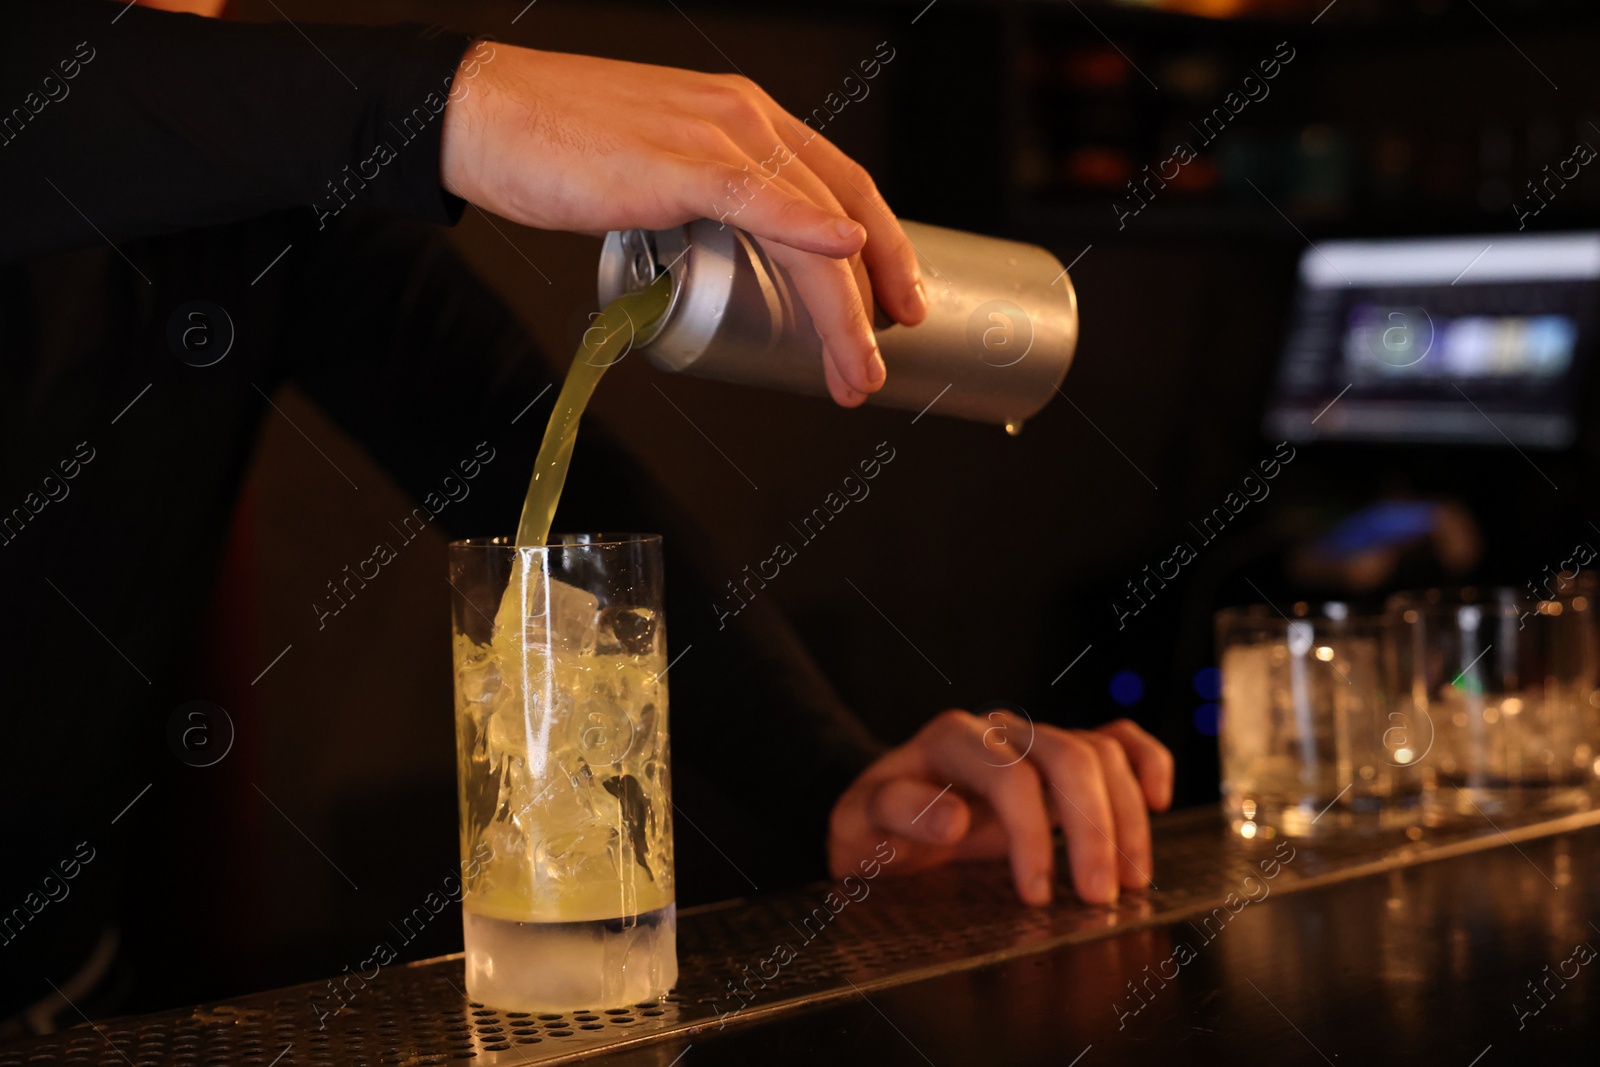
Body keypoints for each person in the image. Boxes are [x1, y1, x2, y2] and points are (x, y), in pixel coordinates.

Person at [0, 0, 1173, 1029]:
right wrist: (457, 97)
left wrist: (835, 785)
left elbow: (526, 455)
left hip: (65, 994)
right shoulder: (161, 105)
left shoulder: (274, 196)